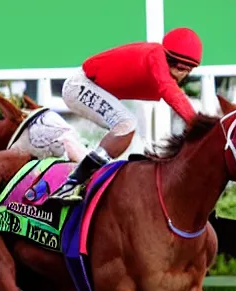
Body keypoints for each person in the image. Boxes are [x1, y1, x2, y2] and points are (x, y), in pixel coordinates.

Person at [49, 27, 203, 204]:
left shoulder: (160, 58)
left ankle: (94, 178)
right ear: (176, 63)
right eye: (182, 69)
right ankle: (72, 184)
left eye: (187, 71)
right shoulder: (156, 56)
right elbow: (170, 91)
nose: (181, 76)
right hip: (78, 86)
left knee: (133, 138)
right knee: (126, 124)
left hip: (88, 86)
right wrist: (199, 124)